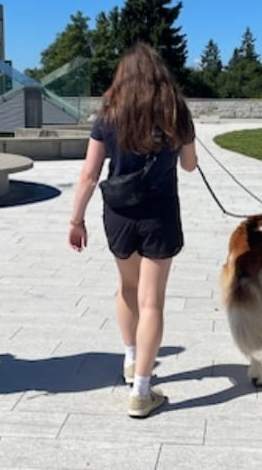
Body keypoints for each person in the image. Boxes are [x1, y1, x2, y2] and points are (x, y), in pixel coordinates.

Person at [67, 43, 197, 418]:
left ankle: (130, 359)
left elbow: (89, 174)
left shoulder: (109, 114)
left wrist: (76, 220)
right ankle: (142, 390)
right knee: (152, 300)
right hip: (160, 213)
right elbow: (189, 166)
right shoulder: (176, 111)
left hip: (119, 212)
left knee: (127, 287)